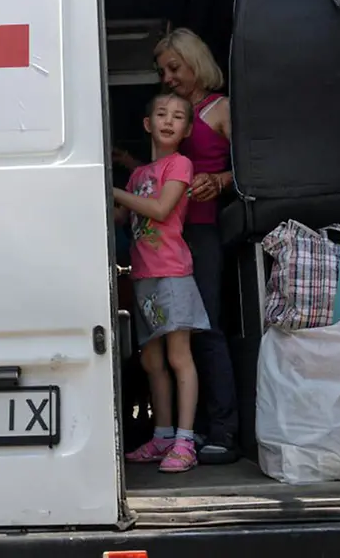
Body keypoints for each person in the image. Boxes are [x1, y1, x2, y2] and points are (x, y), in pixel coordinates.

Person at [153, 27, 241, 464]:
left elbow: (252, 169)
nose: (168, 78)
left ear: (195, 62)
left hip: (204, 231)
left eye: (174, 68)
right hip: (171, 235)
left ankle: (224, 430)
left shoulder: (221, 108)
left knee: (206, 329)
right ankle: (197, 428)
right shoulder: (175, 115)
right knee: (179, 335)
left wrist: (220, 181)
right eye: (163, 72)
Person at [113, 93, 211, 473]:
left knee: (178, 356)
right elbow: (122, 217)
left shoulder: (180, 164)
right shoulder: (138, 176)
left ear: (186, 130)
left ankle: (185, 442)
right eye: (161, 114)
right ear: (147, 123)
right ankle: (163, 436)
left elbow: (159, 209)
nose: (169, 120)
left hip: (171, 273)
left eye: (178, 116)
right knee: (151, 360)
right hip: (142, 277)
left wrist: (113, 191)